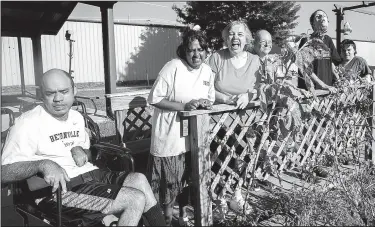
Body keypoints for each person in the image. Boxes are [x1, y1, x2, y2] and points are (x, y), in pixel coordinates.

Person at [1, 69, 166, 227]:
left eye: (64, 91)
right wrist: (42, 164)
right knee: (134, 199)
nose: (58, 99)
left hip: (89, 177)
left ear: (75, 90)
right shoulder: (28, 123)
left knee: (139, 180)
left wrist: (83, 151)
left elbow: (86, 155)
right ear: (41, 94)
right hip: (57, 193)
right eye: (51, 93)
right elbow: (4, 173)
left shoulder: (76, 117)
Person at [147, 27, 215, 226]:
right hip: (170, 135)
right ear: (184, 51)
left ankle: (182, 217)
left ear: (206, 51)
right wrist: (184, 106)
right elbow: (154, 98)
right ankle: (166, 221)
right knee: (168, 185)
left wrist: (203, 102)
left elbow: (209, 97)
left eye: (201, 49)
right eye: (191, 49)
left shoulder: (207, 71)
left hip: (192, 136)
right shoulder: (173, 67)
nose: (196, 54)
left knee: (186, 182)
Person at [207, 20, 261, 109]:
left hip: (248, 114)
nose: (235, 37)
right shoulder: (217, 58)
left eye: (240, 34)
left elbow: (261, 89)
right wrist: (226, 99)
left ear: (246, 39)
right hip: (217, 113)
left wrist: (249, 97)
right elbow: (207, 88)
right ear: (226, 39)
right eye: (231, 34)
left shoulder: (255, 60)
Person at [298, 9, 342, 92]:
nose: (322, 18)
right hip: (311, 91)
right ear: (313, 24)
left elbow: (331, 62)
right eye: (318, 17)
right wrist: (323, 85)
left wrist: (339, 80)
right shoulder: (306, 40)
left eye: (324, 16)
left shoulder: (328, 40)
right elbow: (305, 67)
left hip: (328, 89)